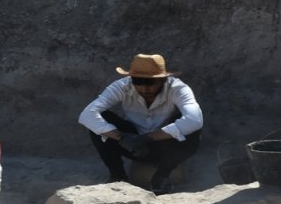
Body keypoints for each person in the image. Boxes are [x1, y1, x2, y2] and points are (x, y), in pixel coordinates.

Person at [78, 53, 204, 195]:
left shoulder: (177, 88)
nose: (144, 88)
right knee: (100, 122)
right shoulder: (122, 86)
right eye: (138, 82)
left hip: (166, 145)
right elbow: (87, 115)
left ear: (163, 80)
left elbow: (194, 119)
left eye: (150, 83)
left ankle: (161, 177)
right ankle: (118, 176)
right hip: (131, 144)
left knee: (193, 129)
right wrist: (122, 138)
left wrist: (148, 138)